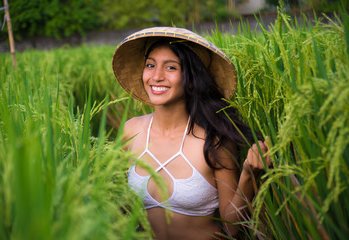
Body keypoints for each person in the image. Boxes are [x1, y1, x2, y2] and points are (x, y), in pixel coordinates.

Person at [112, 27, 271, 239]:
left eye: (171, 67)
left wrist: (249, 175)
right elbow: (118, 210)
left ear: (191, 79)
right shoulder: (130, 130)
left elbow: (232, 228)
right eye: (150, 65)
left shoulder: (214, 139)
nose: (156, 76)